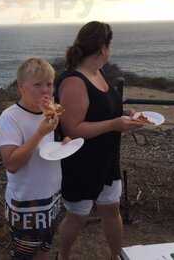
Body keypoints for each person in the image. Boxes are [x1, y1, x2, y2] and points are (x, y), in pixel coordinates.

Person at [55, 22, 143, 260]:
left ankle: (115, 256)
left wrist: (126, 115)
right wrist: (115, 125)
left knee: (111, 209)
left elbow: (104, 109)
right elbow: (72, 129)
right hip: (82, 162)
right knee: (78, 215)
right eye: (109, 44)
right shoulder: (74, 81)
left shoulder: (98, 73)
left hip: (106, 158)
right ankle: (62, 257)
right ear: (102, 48)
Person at [0, 58, 64, 260]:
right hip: (27, 205)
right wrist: (40, 133)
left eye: (49, 84)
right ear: (21, 87)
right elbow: (11, 164)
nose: (45, 90)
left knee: (45, 249)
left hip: (52, 198)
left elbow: (46, 149)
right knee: (24, 256)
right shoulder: (10, 118)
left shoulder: (50, 112)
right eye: (37, 84)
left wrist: (64, 142)